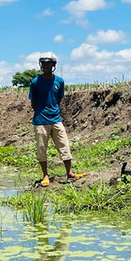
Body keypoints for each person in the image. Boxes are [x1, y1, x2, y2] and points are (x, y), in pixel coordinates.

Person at [29, 53, 81, 186]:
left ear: (54, 65)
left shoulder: (59, 81)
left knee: (64, 146)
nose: (45, 66)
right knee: (42, 149)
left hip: (56, 119)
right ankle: (45, 175)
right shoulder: (35, 82)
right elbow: (33, 103)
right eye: (43, 63)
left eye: (48, 63)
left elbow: (58, 99)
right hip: (40, 121)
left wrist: (52, 111)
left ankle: (69, 172)